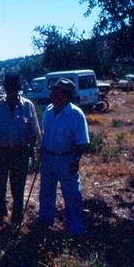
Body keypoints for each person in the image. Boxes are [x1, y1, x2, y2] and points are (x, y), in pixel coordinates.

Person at [0, 74, 41, 225]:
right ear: (5, 89)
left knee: (18, 188)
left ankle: (16, 218)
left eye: (14, 88)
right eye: (8, 88)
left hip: (19, 152)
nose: (11, 91)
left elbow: (34, 132)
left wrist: (32, 151)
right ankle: (0, 215)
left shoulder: (28, 106)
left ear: (18, 89)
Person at [38, 77, 89, 235]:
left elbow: (82, 142)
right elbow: (45, 133)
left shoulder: (76, 114)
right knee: (46, 191)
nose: (51, 93)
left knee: (72, 194)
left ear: (65, 95)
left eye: (55, 91)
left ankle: (76, 229)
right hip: (48, 158)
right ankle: (46, 221)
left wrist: (76, 160)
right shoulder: (48, 110)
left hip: (67, 160)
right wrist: (41, 147)